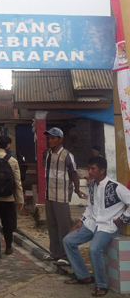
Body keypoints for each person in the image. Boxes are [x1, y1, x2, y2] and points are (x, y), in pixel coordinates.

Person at [63, 156, 130, 297]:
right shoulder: (92, 185)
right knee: (68, 241)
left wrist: (122, 219)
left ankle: (101, 285)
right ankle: (83, 276)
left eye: (93, 168)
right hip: (92, 223)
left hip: (108, 226)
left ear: (102, 170)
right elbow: (90, 207)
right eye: (89, 168)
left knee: (94, 249)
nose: (90, 171)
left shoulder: (116, 186)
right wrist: (81, 220)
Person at [43, 127, 88, 266]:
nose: (50, 140)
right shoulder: (47, 153)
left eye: (53, 138)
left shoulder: (67, 155)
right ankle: (55, 253)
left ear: (60, 139)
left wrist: (77, 189)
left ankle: (65, 255)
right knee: (52, 225)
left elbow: (74, 173)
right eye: (49, 138)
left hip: (61, 195)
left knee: (64, 225)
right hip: (49, 194)